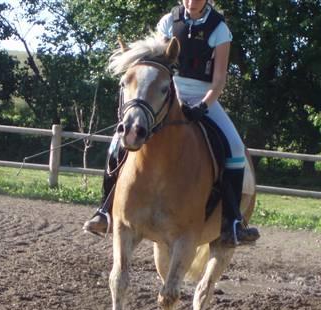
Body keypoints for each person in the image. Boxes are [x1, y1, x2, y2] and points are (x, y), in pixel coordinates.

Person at [84, 0, 260, 246]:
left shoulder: (219, 28)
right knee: (118, 141)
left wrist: (203, 106)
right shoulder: (169, 21)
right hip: (166, 92)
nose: (191, 2)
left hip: (203, 95)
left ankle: (232, 222)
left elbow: (219, 81)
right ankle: (104, 209)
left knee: (235, 148)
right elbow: (156, 62)